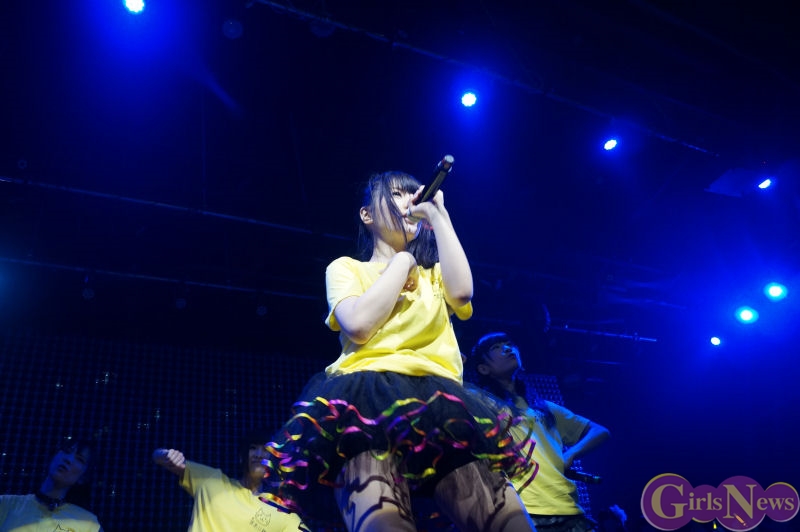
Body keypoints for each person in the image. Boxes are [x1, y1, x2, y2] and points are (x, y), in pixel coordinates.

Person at [264, 170, 537, 532]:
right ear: (367, 215)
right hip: (366, 406)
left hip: (441, 407)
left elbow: (462, 294)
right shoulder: (346, 268)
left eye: (414, 194)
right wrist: (403, 262)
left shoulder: (435, 273)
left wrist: (439, 214)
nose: (410, 200)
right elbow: (359, 324)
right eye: (397, 194)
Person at [466, 332, 610, 532]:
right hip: (523, 510)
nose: (507, 348)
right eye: (496, 347)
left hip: (569, 508)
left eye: (508, 344)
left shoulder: (544, 408)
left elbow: (600, 431)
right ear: (483, 368)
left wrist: (570, 455)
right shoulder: (481, 401)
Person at [152, 430, 309, 532]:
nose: (259, 454)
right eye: (253, 448)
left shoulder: (282, 511)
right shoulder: (212, 480)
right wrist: (166, 454)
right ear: (241, 457)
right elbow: (157, 456)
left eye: (266, 450)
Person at [0, 438, 103, 532]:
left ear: (84, 477)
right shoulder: (5, 504)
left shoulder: (89, 524)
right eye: (66, 451)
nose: (68, 459)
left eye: (80, 459)